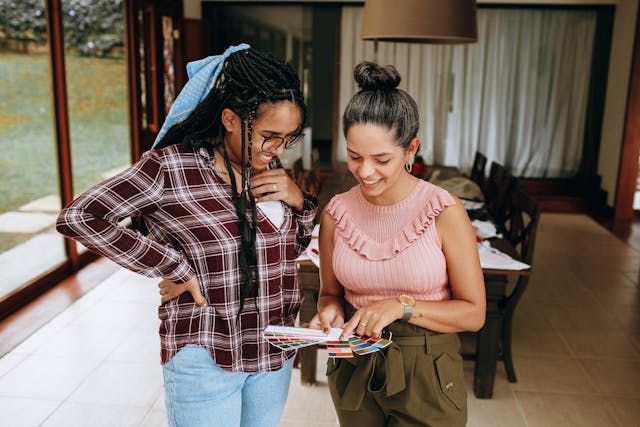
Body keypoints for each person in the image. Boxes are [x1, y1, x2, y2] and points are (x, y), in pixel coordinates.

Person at [56, 44, 318, 427]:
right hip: (207, 351)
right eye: (269, 135)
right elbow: (81, 217)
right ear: (230, 118)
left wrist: (299, 201)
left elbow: (289, 247)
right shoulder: (170, 168)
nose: (277, 149)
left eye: (288, 138)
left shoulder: (269, 165)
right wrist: (174, 266)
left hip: (271, 352)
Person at [309, 61, 486, 426]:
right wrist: (329, 310)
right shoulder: (336, 213)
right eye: (355, 156)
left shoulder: (443, 211)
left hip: (429, 370)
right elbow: (329, 293)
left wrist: (401, 306)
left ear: (411, 150)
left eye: (382, 159)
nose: (366, 171)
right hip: (354, 364)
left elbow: (473, 314)